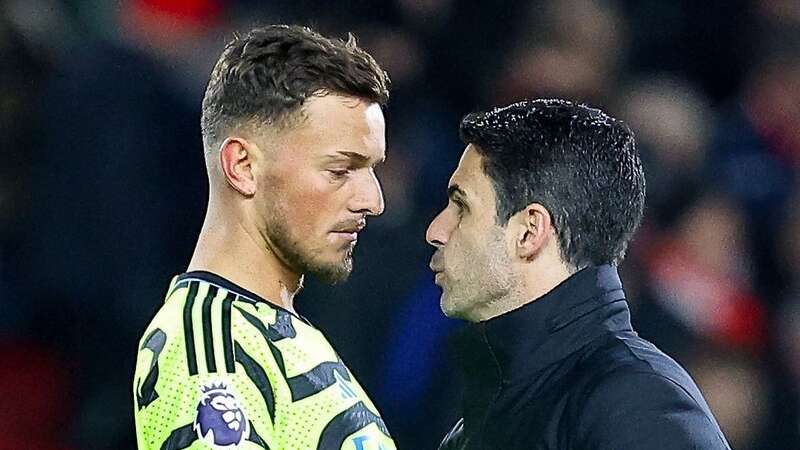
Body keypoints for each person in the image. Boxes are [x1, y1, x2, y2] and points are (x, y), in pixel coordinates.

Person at [133, 25, 396, 450]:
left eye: (373, 169)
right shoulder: (212, 352)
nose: (373, 200)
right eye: (340, 170)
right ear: (242, 166)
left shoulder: (278, 333)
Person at [426, 99, 731, 449]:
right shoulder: (476, 424)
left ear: (529, 232)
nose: (436, 229)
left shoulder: (633, 402)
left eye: (461, 206)